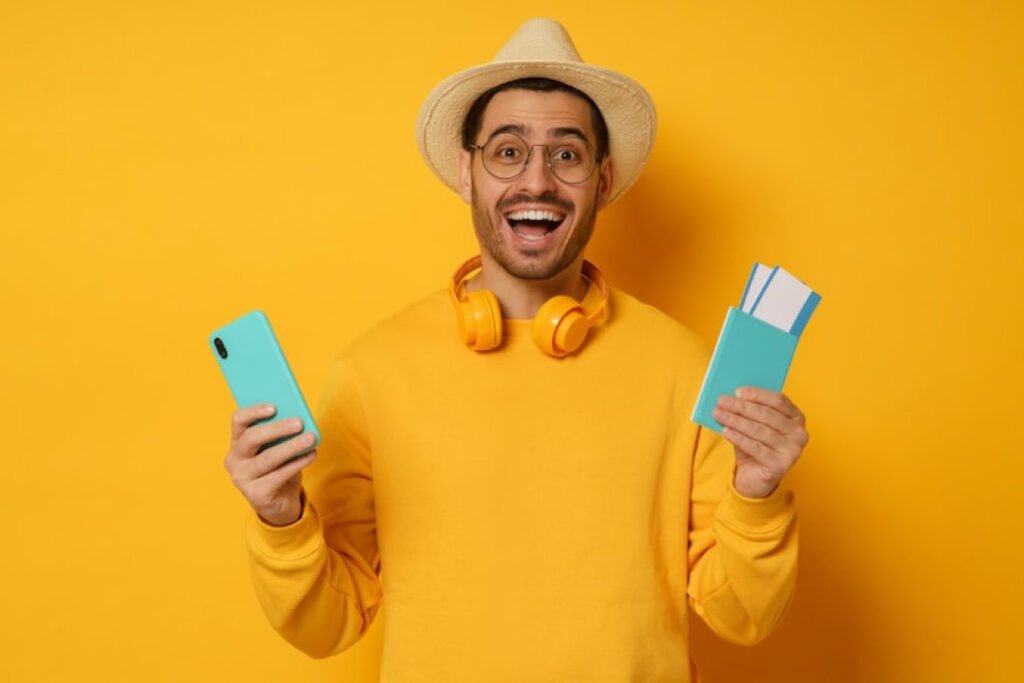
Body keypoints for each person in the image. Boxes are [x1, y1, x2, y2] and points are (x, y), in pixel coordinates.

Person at [223, 18, 808, 682]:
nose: (537, 181)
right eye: (507, 152)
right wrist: (281, 518)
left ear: (604, 179)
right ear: (467, 173)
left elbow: (743, 617)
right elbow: (326, 626)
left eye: (567, 154)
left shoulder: (686, 367)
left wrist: (757, 494)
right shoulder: (370, 372)